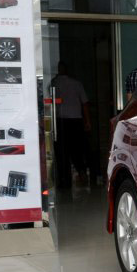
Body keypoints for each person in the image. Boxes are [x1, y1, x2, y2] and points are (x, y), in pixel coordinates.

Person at [50, 60, 91, 189]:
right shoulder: (76, 83)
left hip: (61, 121)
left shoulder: (54, 83)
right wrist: (87, 121)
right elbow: (85, 103)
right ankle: (82, 172)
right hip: (76, 120)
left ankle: (64, 179)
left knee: (62, 151)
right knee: (77, 149)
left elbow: (50, 100)